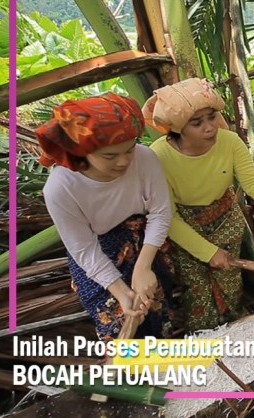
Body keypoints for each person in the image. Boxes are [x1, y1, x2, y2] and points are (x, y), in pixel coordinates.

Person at [145, 78, 254, 332]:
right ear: (177, 127)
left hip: (226, 222)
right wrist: (208, 252)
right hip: (185, 232)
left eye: (212, 117)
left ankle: (235, 335)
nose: (210, 127)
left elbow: (252, 181)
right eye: (197, 123)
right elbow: (169, 217)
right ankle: (206, 345)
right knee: (197, 291)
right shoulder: (158, 156)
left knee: (230, 283)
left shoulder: (230, 142)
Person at [37, 93, 175, 341]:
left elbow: (160, 212)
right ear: (82, 152)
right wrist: (121, 291)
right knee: (117, 322)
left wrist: (143, 267)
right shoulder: (60, 188)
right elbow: (84, 250)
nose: (123, 161)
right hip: (99, 254)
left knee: (156, 312)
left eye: (129, 149)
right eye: (110, 156)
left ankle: (167, 369)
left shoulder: (145, 158)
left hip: (145, 242)